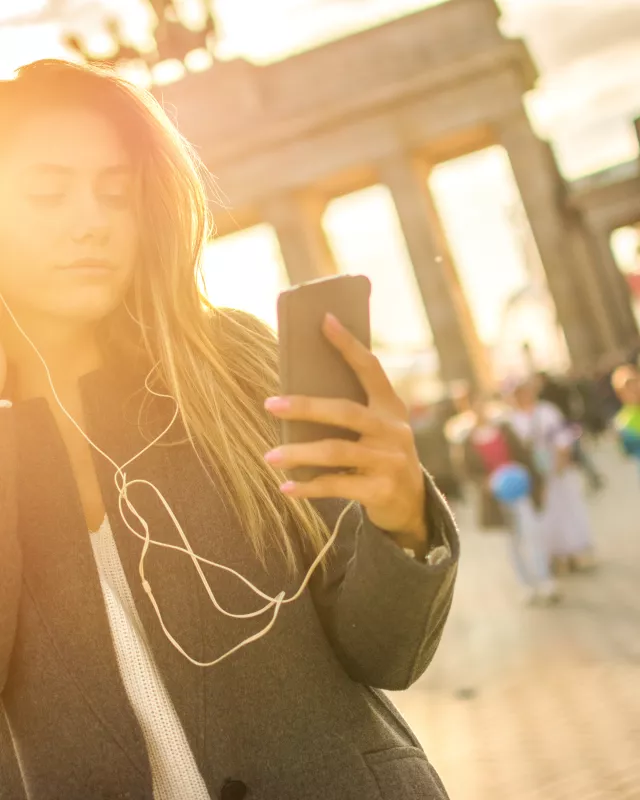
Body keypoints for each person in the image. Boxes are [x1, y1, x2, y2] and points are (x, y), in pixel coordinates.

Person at [0, 60, 459, 800]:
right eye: (48, 192)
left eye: (116, 193)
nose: (92, 219)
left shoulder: (233, 366)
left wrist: (401, 522)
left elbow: (387, 653)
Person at [461, 397, 557, 604]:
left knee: (533, 536)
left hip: (521, 489)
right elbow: (468, 472)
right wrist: (486, 483)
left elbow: (525, 455)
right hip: (497, 497)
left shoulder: (504, 430)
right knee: (512, 541)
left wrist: (537, 483)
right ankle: (527, 586)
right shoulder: (467, 441)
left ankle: (545, 581)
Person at [508, 380, 595, 574]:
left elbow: (562, 437)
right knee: (545, 514)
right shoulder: (512, 419)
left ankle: (576, 552)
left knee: (568, 508)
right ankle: (556, 555)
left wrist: (560, 461)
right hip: (534, 474)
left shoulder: (547, 411)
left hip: (557, 467)